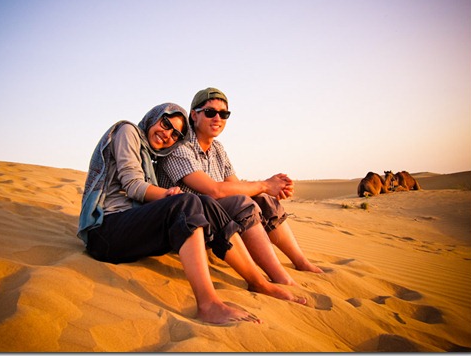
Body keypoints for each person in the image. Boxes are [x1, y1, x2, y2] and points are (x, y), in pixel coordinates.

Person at [77, 103, 303, 326]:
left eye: (175, 134)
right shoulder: (128, 132)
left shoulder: (152, 155)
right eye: (165, 124)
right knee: (186, 202)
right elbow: (134, 185)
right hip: (105, 231)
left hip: (131, 229)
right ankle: (208, 304)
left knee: (204, 203)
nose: (167, 134)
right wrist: (169, 195)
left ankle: (258, 282)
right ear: (154, 117)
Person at [157, 88, 323, 288]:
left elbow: (235, 185)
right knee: (242, 202)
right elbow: (214, 191)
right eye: (210, 112)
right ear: (194, 115)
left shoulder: (217, 149)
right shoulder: (180, 149)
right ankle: (279, 278)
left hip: (218, 223)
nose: (217, 118)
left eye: (223, 114)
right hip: (188, 227)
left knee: (264, 201)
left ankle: (301, 262)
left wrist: (270, 189)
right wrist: (264, 184)